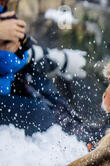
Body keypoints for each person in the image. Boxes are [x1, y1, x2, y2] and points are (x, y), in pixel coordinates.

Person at [0, 2, 104, 146]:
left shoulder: (4, 11)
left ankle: (74, 125)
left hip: (6, 81)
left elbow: (12, 56)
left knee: (39, 79)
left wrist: (22, 48)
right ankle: (63, 130)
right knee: (40, 114)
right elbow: (8, 58)